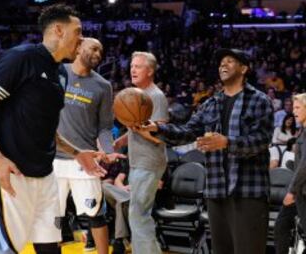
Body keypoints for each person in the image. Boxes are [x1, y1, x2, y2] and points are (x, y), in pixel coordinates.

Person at [0, 4, 106, 254]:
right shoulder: (20, 58)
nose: (83, 38)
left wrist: (77, 152)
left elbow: (47, 126)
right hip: (11, 171)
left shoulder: (61, 74)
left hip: (45, 175)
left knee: (50, 248)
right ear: (58, 30)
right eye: (78, 31)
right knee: (1, 249)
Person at [140, 49, 274, 254]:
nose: (223, 65)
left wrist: (227, 142)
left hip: (248, 191)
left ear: (244, 68)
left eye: (230, 61)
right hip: (217, 190)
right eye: (221, 62)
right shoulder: (211, 104)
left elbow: (261, 140)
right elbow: (187, 132)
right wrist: (157, 128)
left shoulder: (259, 100)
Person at [53, 37, 124, 254]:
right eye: (94, 48)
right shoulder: (57, 72)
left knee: (96, 214)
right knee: (51, 216)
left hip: (85, 161)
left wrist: (109, 151)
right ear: (79, 47)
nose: (98, 54)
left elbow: (104, 127)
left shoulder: (103, 86)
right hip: (52, 158)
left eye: (101, 51)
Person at [114, 51, 169, 254]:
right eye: (132, 66)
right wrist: (120, 141)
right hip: (138, 162)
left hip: (150, 161)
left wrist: (135, 126)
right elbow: (137, 128)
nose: (133, 69)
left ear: (150, 70)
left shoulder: (156, 96)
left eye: (138, 66)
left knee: (139, 215)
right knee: (137, 214)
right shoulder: (138, 96)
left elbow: (161, 134)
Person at [274, 93, 306, 254]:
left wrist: (292, 191)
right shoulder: (302, 131)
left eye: (298, 107)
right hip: (300, 190)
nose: (294, 111)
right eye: (293, 108)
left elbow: (305, 165)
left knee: (281, 226)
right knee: (281, 225)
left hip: (301, 192)